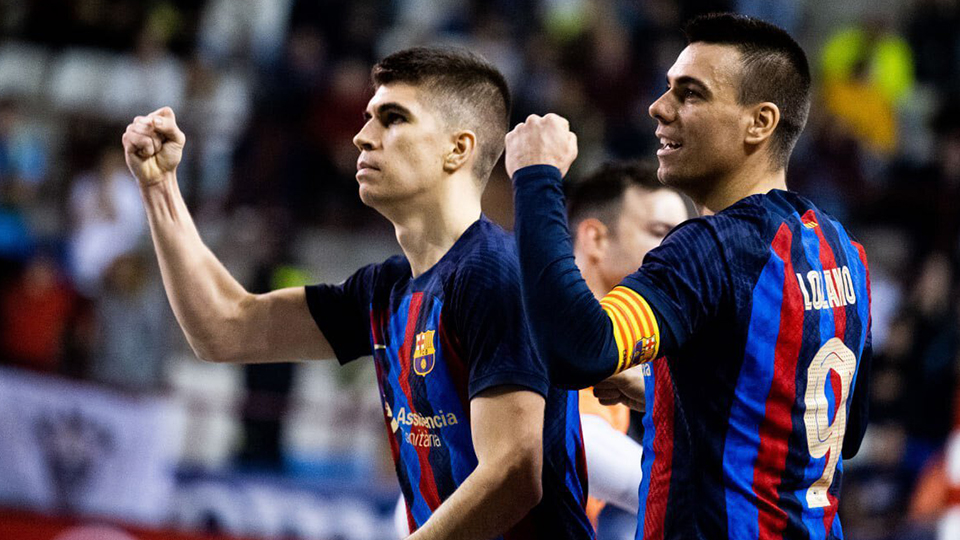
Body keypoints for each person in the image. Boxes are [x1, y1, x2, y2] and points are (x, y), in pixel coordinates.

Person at [121, 47, 592, 539]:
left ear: (457, 149)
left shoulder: (494, 273)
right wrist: (158, 186)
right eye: (369, 117)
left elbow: (515, 471)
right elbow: (225, 329)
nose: (362, 136)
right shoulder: (384, 289)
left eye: (392, 118)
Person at [505, 13, 872, 540]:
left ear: (759, 122)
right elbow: (841, 430)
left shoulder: (713, 246)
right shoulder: (842, 250)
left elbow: (577, 349)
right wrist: (665, 391)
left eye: (691, 93)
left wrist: (537, 177)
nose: (659, 107)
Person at [564, 161, 688, 529]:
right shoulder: (544, 326)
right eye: (660, 232)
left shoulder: (626, 343)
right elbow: (577, 440)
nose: (681, 252)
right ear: (595, 239)